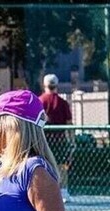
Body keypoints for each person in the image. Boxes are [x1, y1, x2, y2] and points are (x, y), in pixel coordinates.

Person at [39, 74, 74, 203]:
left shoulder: (39, 101)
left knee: (42, 165)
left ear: (44, 85)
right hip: (60, 140)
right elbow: (69, 123)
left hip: (43, 141)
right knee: (61, 166)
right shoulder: (63, 103)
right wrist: (72, 140)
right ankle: (63, 192)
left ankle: (44, 191)